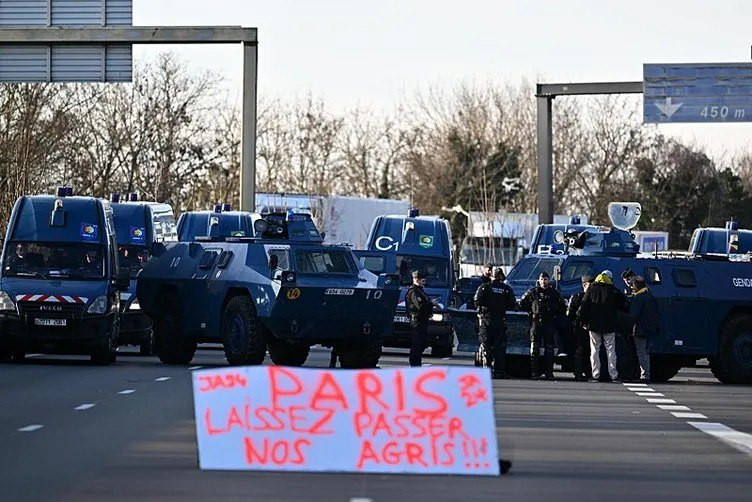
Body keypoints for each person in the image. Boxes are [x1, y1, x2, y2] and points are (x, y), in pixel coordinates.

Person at [579, 270, 628, 383]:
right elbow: (623, 304)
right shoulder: (613, 290)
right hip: (609, 325)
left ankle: (595, 375)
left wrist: (584, 322)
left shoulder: (591, 288)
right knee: (611, 350)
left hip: (593, 325)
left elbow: (584, 305)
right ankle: (613, 375)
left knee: (594, 350)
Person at [520, 271, 566, 380]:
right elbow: (522, 303)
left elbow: (562, 307)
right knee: (534, 349)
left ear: (548, 280)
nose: (543, 281)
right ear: (538, 280)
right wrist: (531, 313)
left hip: (549, 323)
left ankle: (549, 373)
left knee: (549, 349)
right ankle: (534, 373)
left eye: (545, 279)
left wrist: (555, 314)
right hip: (536, 323)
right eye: (541, 279)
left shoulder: (554, 293)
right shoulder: (533, 292)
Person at [474, 267, 517, 379]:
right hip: (498, 320)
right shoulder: (506, 289)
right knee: (499, 348)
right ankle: (499, 371)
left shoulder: (485, 287)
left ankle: (488, 371)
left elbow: (477, 301)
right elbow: (513, 304)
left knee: (487, 346)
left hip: (487, 320)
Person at [627, 275, 659, 382]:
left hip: (640, 329)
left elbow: (633, 316)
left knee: (641, 352)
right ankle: (646, 373)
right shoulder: (649, 296)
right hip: (650, 328)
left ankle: (645, 375)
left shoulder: (638, 298)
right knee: (646, 352)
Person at [405, 269, 436, 367]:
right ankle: (415, 365)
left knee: (422, 343)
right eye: (422, 281)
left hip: (422, 321)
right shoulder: (413, 292)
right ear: (417, 280)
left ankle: (417, 363)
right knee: (417, 344)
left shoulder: (420, 291)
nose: (424, 282)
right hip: (417, 321)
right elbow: (420, 306)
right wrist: (431, 304)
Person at [567, 275, 592, 381]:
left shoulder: (593, 297)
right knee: (579, 351)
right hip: (579, 327)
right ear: (584, 285)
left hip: (590, 327)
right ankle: (578, 372)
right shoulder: (577, 297)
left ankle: (587, 372)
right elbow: (570, 314)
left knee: (589, 351)